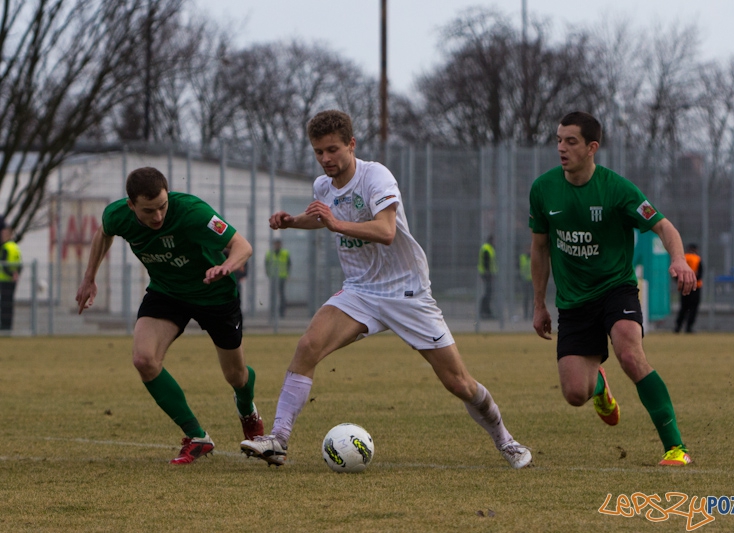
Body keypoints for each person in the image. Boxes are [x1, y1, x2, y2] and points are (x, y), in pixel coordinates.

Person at [240, 110, 532, 469]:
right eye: (318, 152)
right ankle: (278, 440)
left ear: (351, 144)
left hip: (407, 293)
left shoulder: (375, 176)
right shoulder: (322, 186)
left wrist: (335, 223)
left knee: (458, 383)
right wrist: (293, 222)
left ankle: (506, 440)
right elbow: (324, 218)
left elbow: (386, 230)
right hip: (360, 291)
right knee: (308, 346)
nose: (326, 159)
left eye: (332, 149)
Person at [529, 111, 695, 466]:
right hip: (573, 302)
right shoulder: (543, 190)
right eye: (558, 140)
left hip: (615, 289)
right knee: (575, 394)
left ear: (592, 148)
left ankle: (675, 448)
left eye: (570, 141)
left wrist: (678, 260)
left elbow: (665, 228)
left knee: (631, 355)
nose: (561, 148)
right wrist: (539, 304)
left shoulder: (617, 189)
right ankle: (600, 384)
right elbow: (539, 248)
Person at [75, 167, 264, 464]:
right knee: (144, 360)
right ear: (131, 205)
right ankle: (197, 436)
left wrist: (227, 265)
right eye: (149, 211)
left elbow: (243, 246)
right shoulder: (117, 215)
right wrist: (89, 277)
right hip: (167, 293)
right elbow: (103, 232)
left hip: (214, 293)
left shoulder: (192, 211)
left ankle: (248, 410)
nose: (158, 217)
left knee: (236, 376)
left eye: (162, 206)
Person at [674, 244, 702, 333]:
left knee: (683, 307)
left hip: (683, 286)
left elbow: (676, 273)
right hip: (695, 287)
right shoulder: (697, 259)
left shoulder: (683, 259)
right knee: (693, 308)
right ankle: (689, 327)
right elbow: (700, 274)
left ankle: (678, 327)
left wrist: (681, 281)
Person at [0, 225, 22, 331]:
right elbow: (20, 264)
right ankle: (8, 326)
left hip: (4, 279)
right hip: (13, 281)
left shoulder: (5, 247)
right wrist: (16, 274)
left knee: (4, 304)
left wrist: (10, 275)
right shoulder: (16, 247)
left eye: (3, 234)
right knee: (9, 304)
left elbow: (3, 265)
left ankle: (4, 327)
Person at [264, 239, 291, 317]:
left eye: (278, 244)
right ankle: (272, 312)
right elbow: (266, 264)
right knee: (273, 295)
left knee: (282, 295)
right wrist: (268, 273)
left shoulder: (285, 253)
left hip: (282, 276)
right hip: (273, 276)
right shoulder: (269, 253)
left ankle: (282, 312)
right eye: (276, 244)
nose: (277, 246)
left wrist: (287, 274)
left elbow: (289, 264)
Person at [478, 235, 497, 319]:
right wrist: (489, 273)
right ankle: (485, 311)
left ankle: (486, 311)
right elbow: (486, 262)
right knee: (488, 293)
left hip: (487, 274)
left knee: (488, 293)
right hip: (487, 274)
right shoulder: (487, 248)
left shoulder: (489, 248)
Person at [519, 247, 533, 320]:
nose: (528, 250)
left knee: (533, 298)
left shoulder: (534, 257)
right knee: (526, 298)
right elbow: (519, 268)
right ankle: (526, 314)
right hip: (525, 280)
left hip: (533, 280)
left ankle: (533, 314)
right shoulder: (522, 257)